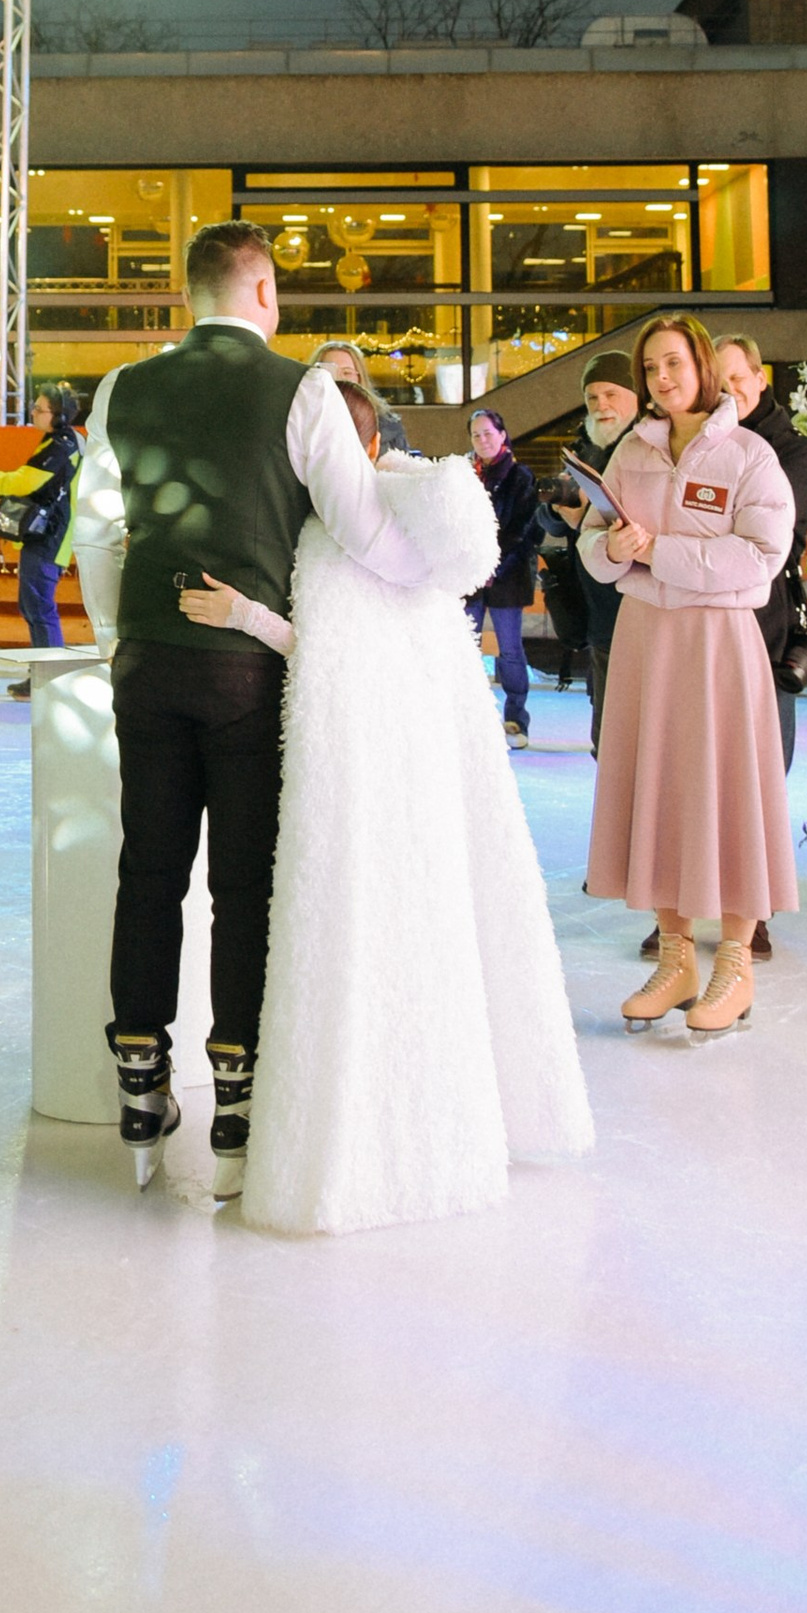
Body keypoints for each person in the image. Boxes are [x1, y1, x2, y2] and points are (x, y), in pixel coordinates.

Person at [182, 372, 594, 1233]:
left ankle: (367, 1145)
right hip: (399, 782)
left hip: (371, 782)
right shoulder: (391, 523)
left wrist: (245, 615)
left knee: (366, 944)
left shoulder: (363, 527)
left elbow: (330, 650)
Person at [73, 219, 437, 1190]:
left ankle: (141, 1081)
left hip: (149, 661)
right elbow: (362, 531)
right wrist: (431, 566)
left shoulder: (123, 388)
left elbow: (96, 535)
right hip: (248, 674)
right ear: (265, 293)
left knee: (146, 871)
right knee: (243, 886)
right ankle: (237, 1100)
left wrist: (122, 639)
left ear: (187, 295)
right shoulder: (303, 389)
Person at [581, 309, 798, 1039]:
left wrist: (656, 551)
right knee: (662, 787)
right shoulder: (631, 455)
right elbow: (592, 545)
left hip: (720, 648)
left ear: (702, 364)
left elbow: (760, 560)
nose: (662, 378)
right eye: (650, 368)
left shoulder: (749, 456)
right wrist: (614, 547)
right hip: (648, 642)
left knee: (728, 789)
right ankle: (675, 955)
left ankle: (733, 963)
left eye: (673, 362)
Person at [716, 337, 807, 954]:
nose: (728, 391)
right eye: (720, 380)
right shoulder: (698, 442)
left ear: (760, 379)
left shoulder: (796, 452)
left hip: (765, 627)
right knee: (697, 766)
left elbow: (775, 539)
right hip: (703, 624)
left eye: (737, 378)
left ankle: (752, 908)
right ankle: (682, 899)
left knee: (760, 771)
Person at [542, 351, 640, 747]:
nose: (602, 406)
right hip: (597, 616)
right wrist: (556, 510)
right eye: (593, 398)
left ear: (636, 395)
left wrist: (584, 521)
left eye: (612, 394)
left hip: (636, 610)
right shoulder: (582, 450)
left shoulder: (650, 449)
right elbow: (548, 524)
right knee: (608, 742)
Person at [461, 407, 545, 747]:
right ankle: (469, 718)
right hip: (469, 579)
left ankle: (515, 719)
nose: (482, 440)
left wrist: (494, 564)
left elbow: (525, 529)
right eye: (476, 435)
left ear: (502, 435)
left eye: (488, 433)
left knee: (510, 649)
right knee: (467, 648)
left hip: (506, 576)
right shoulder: (464, 474)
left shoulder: (520, 477)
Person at [0, 384, 80, 686]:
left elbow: (26, 481)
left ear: (58, 416)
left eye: (39, 408)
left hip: (49, 538)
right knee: (33, 605)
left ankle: (50, 678)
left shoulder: (61, 445)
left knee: (39, 607)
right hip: (44, 536)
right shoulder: (60, 441)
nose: (34, 412)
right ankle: (42, 674)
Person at [308, 342, 406, 451]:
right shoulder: (300, 420)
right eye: (329, 372)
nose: (338, 379)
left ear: (359, 378)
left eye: (347, 372)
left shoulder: (387, 424)